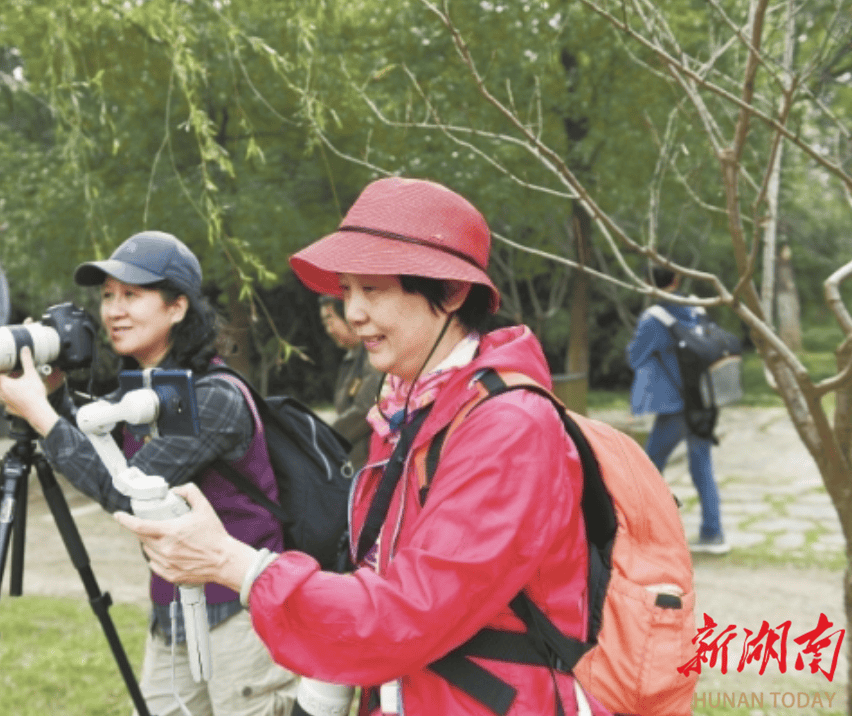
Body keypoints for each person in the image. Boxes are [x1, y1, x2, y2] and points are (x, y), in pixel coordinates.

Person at [115, 178, 613, 716]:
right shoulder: (412, 408)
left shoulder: (509, 426)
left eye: (371, 289)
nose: (352, 312)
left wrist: (233, 562)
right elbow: (376, 572)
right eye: (346, 291)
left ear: (450, 293)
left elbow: (411, 611)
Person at [0, 231, 297, 716]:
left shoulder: (214, 397)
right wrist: (53, 396)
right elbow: (89, 449)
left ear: (177, 307)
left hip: (241, 615)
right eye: (108, 296)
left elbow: (127, 490)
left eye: (132, 295)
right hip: (172, 613)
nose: (113, 310)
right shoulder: (138, 387)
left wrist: (38, 414)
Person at [625, 266, 728, 555]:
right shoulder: (696, 307)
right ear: (677, 279)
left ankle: (643, 535)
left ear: (647, 283)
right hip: (704, 400)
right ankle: (713, 533)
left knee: (647, 467)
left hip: (675, 406)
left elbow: (635, 356)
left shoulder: (655, 318)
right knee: (701, 465)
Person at [318, 296, 384, 470]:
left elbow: (366, 408)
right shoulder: (354, 356)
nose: (328, 330)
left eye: (329, 321)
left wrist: (322, 439)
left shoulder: (374, 353)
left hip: (368, 464)